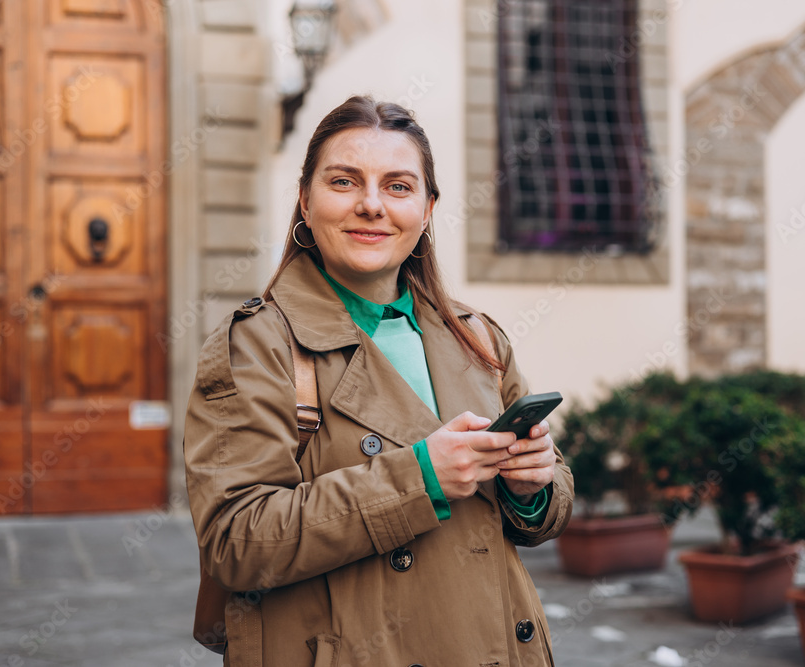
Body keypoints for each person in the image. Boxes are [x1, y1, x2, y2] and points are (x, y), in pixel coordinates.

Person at [184, 95, 573, 667]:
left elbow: (551, 499)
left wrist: (533, 487)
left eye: (397, 186)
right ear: (305, 201)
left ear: (428, 208)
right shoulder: (257, 344)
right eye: (344, 182)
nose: (372, 205)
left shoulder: (477, 337)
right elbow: (236, 541)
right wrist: (419, 477)